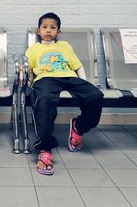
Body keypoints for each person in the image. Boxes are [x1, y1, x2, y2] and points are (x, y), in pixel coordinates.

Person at [25, 12, 104, 175]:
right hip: (45, 78)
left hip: (68, 77)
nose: (48, 30)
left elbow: (78, 65)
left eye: (52, 28)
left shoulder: (65, 46)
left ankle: (79, 127)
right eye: (44, 27)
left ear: (58, 32)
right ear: (38, 31)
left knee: (95, 95)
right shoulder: (34, 49)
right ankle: (45, 150)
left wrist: (85, 84)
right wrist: (30, 83)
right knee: (45, 100)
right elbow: (29, 69)